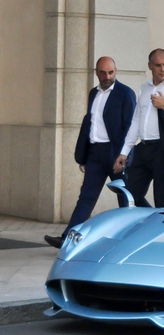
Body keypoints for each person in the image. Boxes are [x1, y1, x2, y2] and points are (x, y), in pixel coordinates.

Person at [44, 57, 136, 249]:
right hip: (95, 153)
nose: (107, 76)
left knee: (125, 196)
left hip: (116, 154)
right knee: (86, 197)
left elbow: (131, 128)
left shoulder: (125, 94)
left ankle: (132, 238)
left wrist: (124, 155)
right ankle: (68, 239)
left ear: (116, 70)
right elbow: (90, 124)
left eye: (110, 72)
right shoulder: (93, 93)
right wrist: (84, 155)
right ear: (96, 72)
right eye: (103, 72)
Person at [113, 48, 164, 208]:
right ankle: (151, 222)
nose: (162, 69)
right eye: (158, 65)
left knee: (162, 198)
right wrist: (124, 151)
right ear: (150, 66)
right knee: (131, 195)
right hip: (143, 149)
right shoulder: (144, 88)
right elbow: (136, 120)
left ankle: (163, 230)